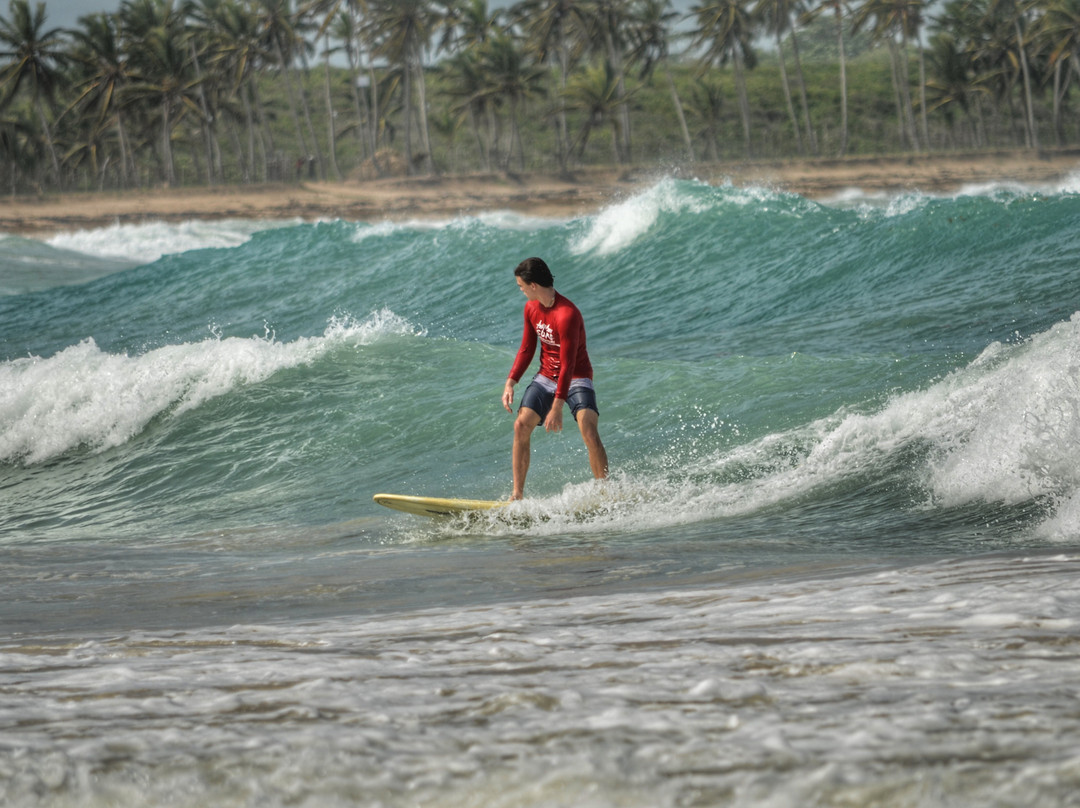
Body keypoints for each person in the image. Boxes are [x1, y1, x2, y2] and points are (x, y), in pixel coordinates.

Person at [501, 257, 608, 500]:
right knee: (520, 426)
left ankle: (606, 491)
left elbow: (569, 364)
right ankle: (517, 494)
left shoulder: (567, 314)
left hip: (577, 376)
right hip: (547, 375)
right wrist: (511, 382)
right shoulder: (531, 308)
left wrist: (557, 405)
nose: (520, 290)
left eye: (521, 286)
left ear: (533, 285)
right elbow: (527, 348)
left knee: (589, 431)